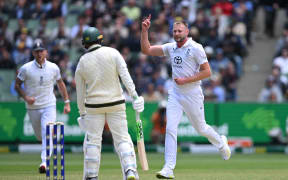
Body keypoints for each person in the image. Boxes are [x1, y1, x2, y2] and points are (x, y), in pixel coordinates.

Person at [141, 15, 231, 179]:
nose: (176, 33)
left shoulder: (196, 48)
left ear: (187, 31)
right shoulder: (170, 47)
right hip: (175, 94)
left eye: (179, 30)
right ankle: (168, 168)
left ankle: (221, 143)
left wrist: (185, 80)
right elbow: (146, 50)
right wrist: (144, 31)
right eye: (174, 31)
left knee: (201, 128)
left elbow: (207, 72)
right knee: (170, 128)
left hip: (192, 94)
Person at [75, 27, 144, 180]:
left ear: (85, 44)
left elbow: (80, 92)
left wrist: (82, 113)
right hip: (116, 103)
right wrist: (135, 96)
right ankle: (130, 170)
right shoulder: (113, 53)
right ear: (100, 39)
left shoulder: (82, 61)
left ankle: (92, 176)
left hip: (93, 106)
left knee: (93, 141)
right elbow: (125, 76)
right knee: (122, 139)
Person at [14, 40, 71, 173]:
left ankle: (44, 162)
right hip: (33, 107)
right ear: (33, 53)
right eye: (37, 51)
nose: (39, 54)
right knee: (40, 136)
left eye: (41, 51)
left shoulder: (53, 67)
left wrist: (67, 102)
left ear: (46, 52)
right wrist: (26, 97)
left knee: (47, 131)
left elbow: (61, 84)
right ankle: (47, 148)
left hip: (49, 105)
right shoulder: (26, 68)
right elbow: (17, 85)